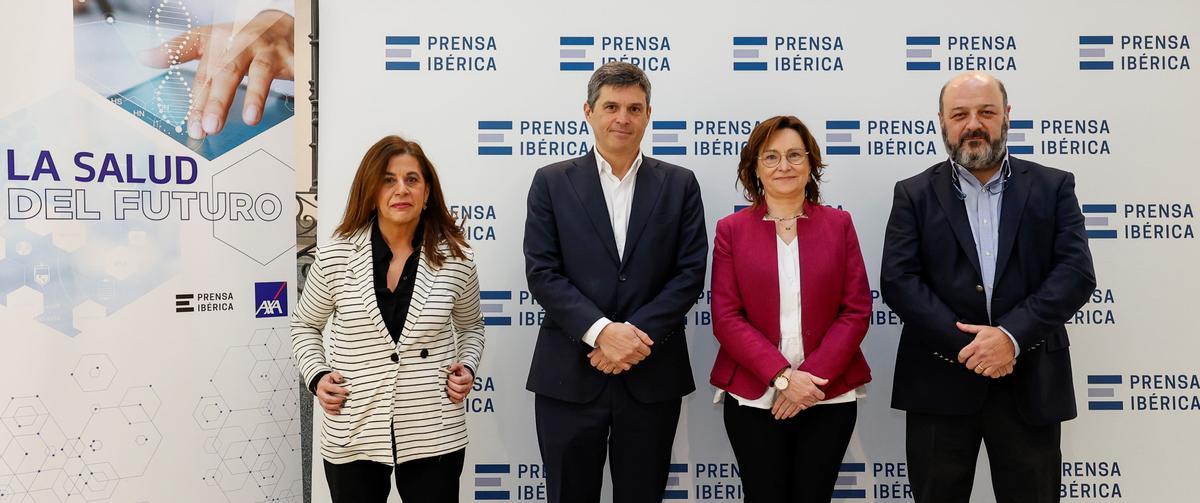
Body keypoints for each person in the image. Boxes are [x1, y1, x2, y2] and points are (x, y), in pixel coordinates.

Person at [880, 71, 1096, 502]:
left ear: (1007, 116)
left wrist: (1010, 338)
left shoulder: (1054, 187)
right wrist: (974, 349)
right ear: (941, 121)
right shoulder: (913, 194)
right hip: (939, 382)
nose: (973, 124)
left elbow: (1075, 273)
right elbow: (899, 281)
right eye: (960, 114)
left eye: (986, 112)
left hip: (1030, 382)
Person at [523, 61, 708, 503]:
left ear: (647, 115)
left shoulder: (680, 184)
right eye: (611, 106)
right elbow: (543, 272)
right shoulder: (551, 182)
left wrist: (632, 339)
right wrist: (603, 333)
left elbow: (689, 274)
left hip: (651, 377)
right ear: (588, 112)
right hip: (569, 375)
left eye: (633, 108)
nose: (622, 118)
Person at [291, 135, 485, 503]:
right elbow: (305, 325)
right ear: (371, 190)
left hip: (433, 428)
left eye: (412, 179)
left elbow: (472, 327)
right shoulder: (334, 255)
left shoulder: (457, 259)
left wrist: (468, 367)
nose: (401, 189)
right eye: (388, 179)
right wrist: (316, 376)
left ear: (427, 192)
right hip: (354, 424)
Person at [709, 115, 872, 503]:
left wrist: (808, 381)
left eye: (795, 155)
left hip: (826, 394)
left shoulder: (839, 224)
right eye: (771, 157)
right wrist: (783, 378)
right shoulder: (731, 229)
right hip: (754, 395)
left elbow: (856, 310)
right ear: (754, 168)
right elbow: (727, 318)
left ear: (811, 164)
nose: (784, 166)